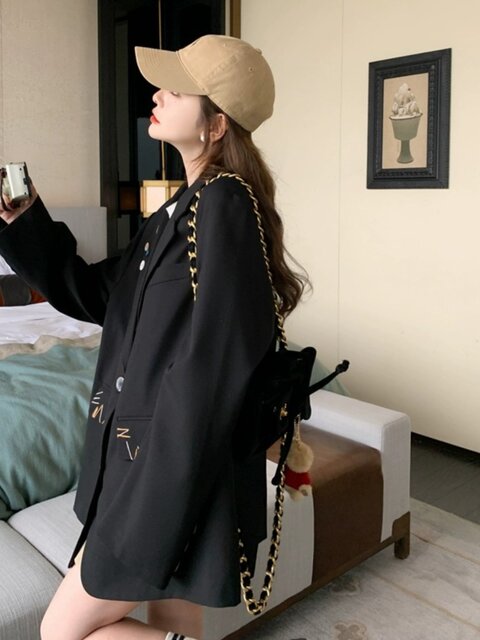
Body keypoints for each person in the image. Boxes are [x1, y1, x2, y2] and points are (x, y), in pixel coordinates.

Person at [0, 34, 308, 640]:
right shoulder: (181, 210)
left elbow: (213, 367)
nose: (158, 95)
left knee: (60, 631)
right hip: (163, 464)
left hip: (169, 472)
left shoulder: (223, 204)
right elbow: (96, 294)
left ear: (217, 125)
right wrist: (25, 219)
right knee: (174, 622)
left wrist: (159, 494)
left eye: (177, 90)